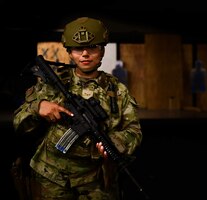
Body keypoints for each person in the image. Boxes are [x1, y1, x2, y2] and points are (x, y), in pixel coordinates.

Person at [12, 17, 143, 200]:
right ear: (69, 51)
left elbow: (134, 130)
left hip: (97, 180)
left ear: (102, 50)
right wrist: (38, 107)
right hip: (51, 176)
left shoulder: (117, 91)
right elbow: (19, 123)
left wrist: (115, 142)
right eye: (78, 49)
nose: (85, 54)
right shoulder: (51, 84)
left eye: (92, 48)